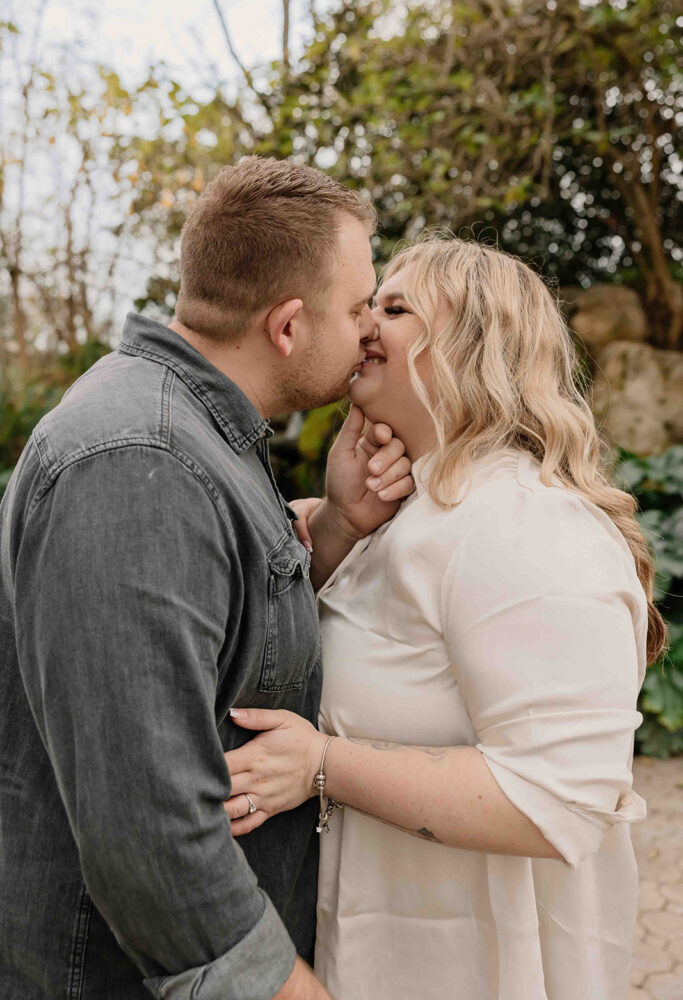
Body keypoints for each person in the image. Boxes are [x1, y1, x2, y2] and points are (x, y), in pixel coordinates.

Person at [0, 157, 414, 1000]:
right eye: (357, 305)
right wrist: (286, 988)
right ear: (289, 326)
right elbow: (147, 827)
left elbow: (228, 650)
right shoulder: (136, 459)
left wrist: (332, 530)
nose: (370, 327)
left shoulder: (198, 434)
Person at [222, 235, 667, 1000]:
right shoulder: (402, 513)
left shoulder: (527, 526)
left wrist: (322, 764)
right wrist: (340, 521)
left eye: (393, 309)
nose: (363, 324)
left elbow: (558, 799)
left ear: (474, 346)